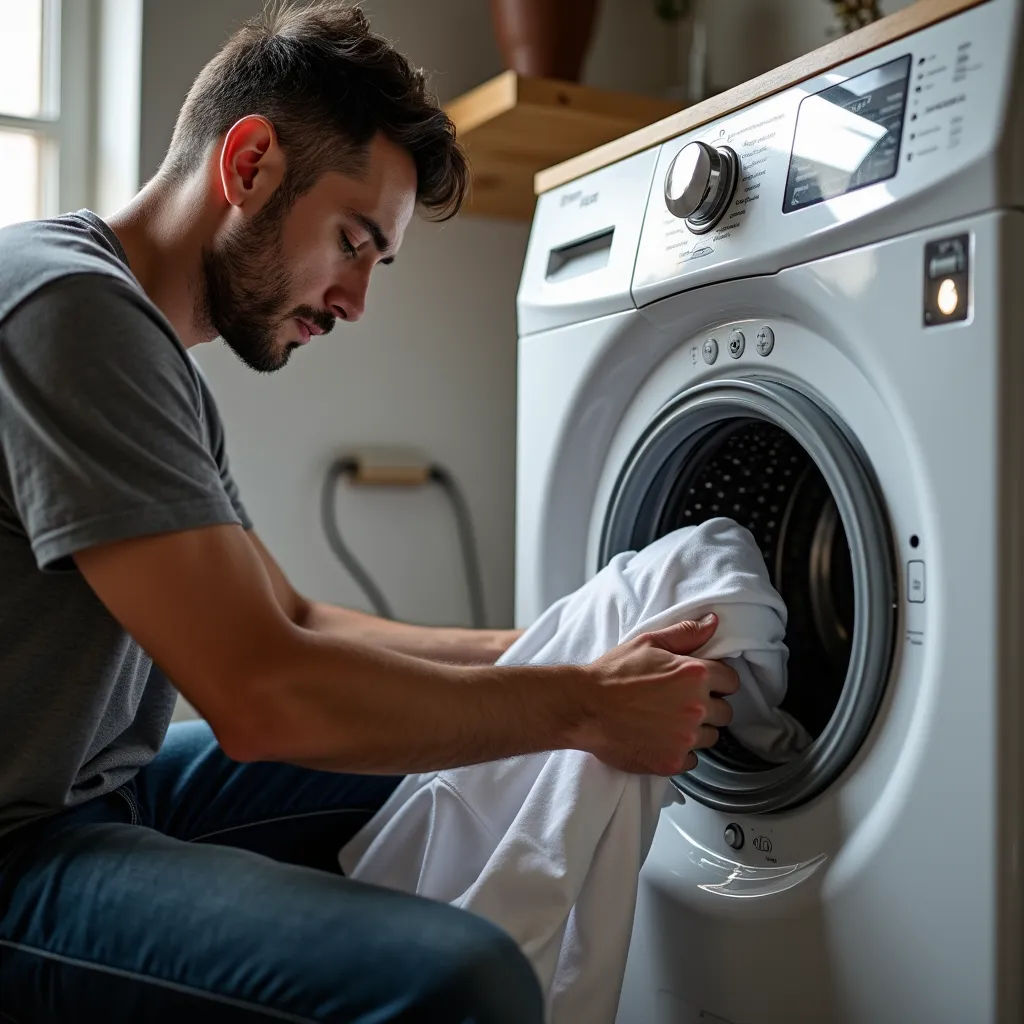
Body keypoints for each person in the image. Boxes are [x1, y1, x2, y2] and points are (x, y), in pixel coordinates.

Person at [0, 2, 739, 1021]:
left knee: (467, 762)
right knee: (465, 979)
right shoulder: (63, 307)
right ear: (249, 162)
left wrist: (560, 648)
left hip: (97, 790)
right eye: (353, 241)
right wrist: (585, 703)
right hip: (16, 848)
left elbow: (294, 622)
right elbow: (261, 696)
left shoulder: (144, 350)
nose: (353, 300)